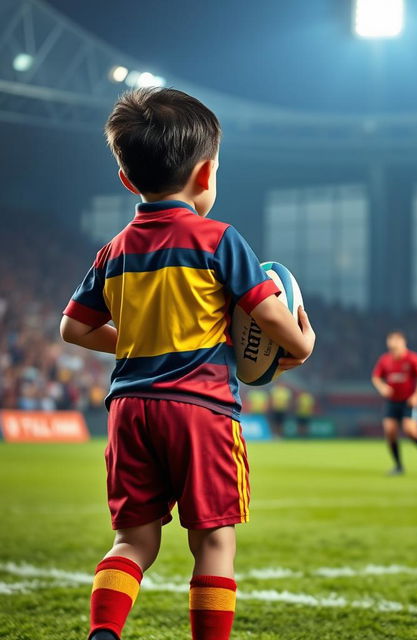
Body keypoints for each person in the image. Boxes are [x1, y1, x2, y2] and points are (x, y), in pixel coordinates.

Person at [60, 87, 315, 640]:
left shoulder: (114, 250)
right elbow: (269, 317)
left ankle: (104, 631)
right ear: (206, 174)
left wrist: (143, 341)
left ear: (128, 180)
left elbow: (73, 328)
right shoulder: (219, 239)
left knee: (133, 542)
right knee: (214, 542)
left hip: (129, 410)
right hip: (201, 410)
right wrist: (301, 345)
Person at [371, 330, 417, 474]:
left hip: (408, 401)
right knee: (390, 432)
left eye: (396, 341)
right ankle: (398, 466)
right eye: (390, 341)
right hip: (392, 401)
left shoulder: (413, 358)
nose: (393, 345)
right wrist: (382, 387)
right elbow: (375, 377)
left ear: (403, 342)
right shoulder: (385, 360)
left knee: (410, 431)